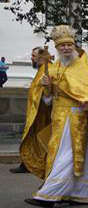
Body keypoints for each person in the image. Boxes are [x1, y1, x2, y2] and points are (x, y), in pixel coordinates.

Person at [25, 25, 88, 208]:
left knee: (66, 156)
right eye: (62, 46)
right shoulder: (53, 67)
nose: (66, 48)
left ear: (74, 46)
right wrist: (47, 88)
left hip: (77, 119)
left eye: (69, 45)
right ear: (56, 49)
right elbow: (48, 101)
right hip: (59, 119)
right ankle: (86, 193)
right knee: (79, 157)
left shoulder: (82, 67)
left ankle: (49, 194)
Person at [14, 47, 54, 175]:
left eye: (34, 56)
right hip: (36, 113)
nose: (32, 58)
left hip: (43, 115)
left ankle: (37, 164)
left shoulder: (48, 70)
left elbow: (49, 92)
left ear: (42, 57)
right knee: (32, 140)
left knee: (40, 141)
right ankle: (27, 163)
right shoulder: (40, 70)